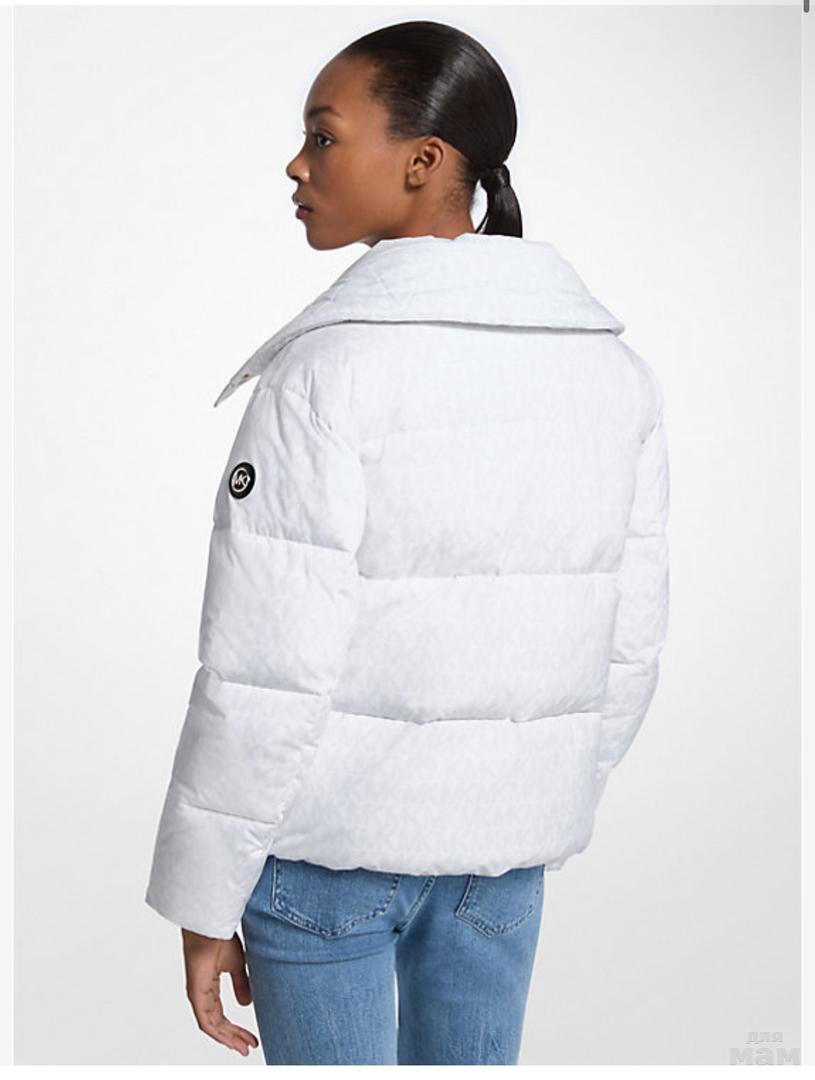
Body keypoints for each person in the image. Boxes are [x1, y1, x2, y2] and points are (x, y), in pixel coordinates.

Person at [145, 19, 670, 1066]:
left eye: (323, 136)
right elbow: (631, 643)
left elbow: (264, 669)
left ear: (423, 161)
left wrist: (204, 893)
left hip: (325, 863)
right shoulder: (610, 373)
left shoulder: (326, 375)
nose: (296, 165)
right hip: (500, 868)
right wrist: (524, 795)